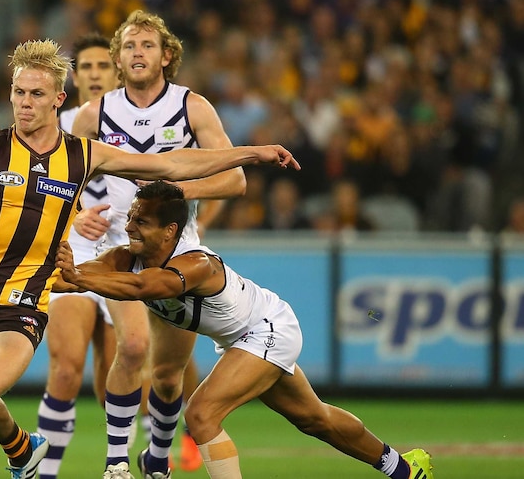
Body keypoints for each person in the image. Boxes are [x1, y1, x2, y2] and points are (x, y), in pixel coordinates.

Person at [0, 39, 298, 479]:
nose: (24, 103)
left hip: (23, 303)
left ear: (59, 99)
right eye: (19, 92)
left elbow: (169, 168)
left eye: (36, 94)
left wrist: (251, 153)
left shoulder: (83, 154)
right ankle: (22, 448)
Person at [54, 180, 435, 479]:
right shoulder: (126, 257)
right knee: (314, 419)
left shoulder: (196, 264)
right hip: (243, 340)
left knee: (201, 414)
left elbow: (143, 288)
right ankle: (405, 469)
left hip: (268, 329)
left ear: (171, 230)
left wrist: (78, 276)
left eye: (142, 222)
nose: (130, 227)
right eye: (132, 217)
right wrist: (27, 277)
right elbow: (73, 279)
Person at [70, 10, 242, 477]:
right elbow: (57, 178)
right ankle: (115, 465)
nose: (137, 53)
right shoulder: (95, 114)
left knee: (168, 376)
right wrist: (76, 212)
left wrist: (178, 191)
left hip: (179, 249)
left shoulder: (192, 107)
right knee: (131, 348)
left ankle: (158, 460)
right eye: (128, 46)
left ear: (167, 55)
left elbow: (235, 179)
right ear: (118, 60)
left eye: (146, 45)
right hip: (119, 248)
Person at [36, 32, 120, 479]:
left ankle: (129, 463)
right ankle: (44, 472)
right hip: (75, 247)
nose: (93, 74)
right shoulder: (61, 124)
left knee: (119, 380)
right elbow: (41, 187)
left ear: (118, 71)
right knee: (67, 367)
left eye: (102, 66)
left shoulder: (140, 122)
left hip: (128, 254)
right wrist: (75, 217)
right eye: (85, 67)